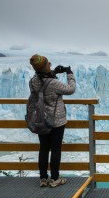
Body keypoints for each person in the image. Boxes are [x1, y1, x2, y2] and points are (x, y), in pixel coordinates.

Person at [29, 54, 76, 188]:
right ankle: (55, 178)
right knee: (55, 149)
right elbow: (70, 89)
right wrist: (69, 73)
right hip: (56, 121)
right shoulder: (54, 83)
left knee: (44, 148)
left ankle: (43, 178)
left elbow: (44, 82)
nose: (50, 64)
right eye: (48, 63)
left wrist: (53, 72)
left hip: (41, 119)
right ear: (44, 66)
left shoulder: (33, 81)